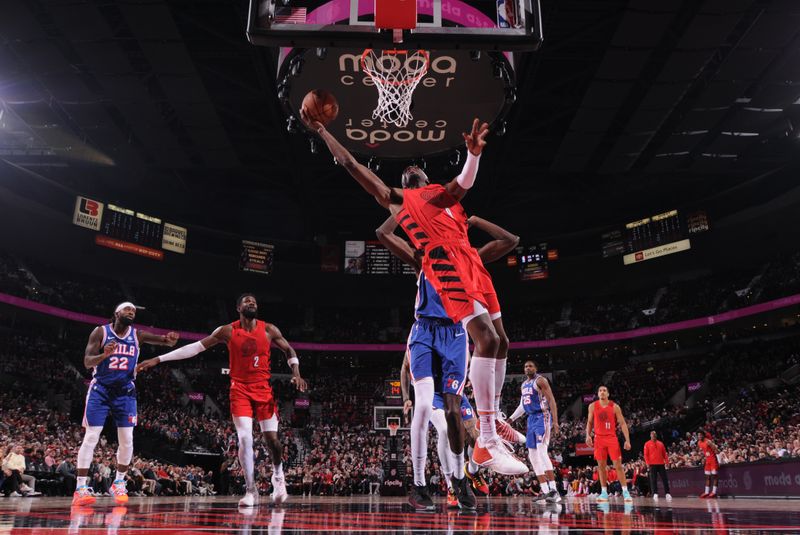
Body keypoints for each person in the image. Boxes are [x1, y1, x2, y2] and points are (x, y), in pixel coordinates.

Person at [305, 108, 525, 476]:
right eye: (406, 174)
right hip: (443, 263)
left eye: (416, 170)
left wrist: (473, 156)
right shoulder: (405, 201)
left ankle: (494, 421)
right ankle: (485, 441)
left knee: (501, 342)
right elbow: (350, 164)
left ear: (426, 177)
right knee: (485, 341)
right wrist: (323, 132)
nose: (411, 170)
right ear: (405, 185)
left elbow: (460, 188)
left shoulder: (443, 199)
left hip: (467, 257)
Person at [383, 212, 521, 510]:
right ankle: (419, 485)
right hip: (424, 330)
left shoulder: (467, 259)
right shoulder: (422, 260)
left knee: (453, 415)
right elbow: (384, 234)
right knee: (422, 408)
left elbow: (510, 241)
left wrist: (475, 220)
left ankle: (460, 478)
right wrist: (404, 209)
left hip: (456, 334)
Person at [137, 293, 306, 507]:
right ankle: (250, 489)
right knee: (245, 438)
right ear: (238, 308)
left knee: (272, 441)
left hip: (263, 390)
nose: (252, 303)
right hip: (240, 389)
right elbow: (195, 348)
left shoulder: (269, 329)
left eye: (254, 301)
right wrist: (158, 358)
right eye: (247, 301)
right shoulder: (227, 330)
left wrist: (296, 372)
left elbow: (289, 349)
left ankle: (278, 476)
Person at [73, 302, 179, 506]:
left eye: (133, 311)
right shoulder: (100, 332)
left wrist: (171, 340)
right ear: (116, 313)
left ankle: (119, 483)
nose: (131, 312)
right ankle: (81, 487)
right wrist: (104, 355)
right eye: (127, 309)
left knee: (127, 439)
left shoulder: (137, 335)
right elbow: (87, 362)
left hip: (125, 392)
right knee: (92, 436)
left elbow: (165, 342)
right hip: (101, 389)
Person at [508, 360, 560, 503]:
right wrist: (510, 420)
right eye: (525, 366)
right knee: (533, 456)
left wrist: (555, 422)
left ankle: (554, 490)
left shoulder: (541, 380)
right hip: (531, 419)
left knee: (542, 451)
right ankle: (545, 491)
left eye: (530, 365)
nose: (527, 368)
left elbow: (551, 400)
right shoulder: (524, 384)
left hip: (542, 416)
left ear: (536, 368)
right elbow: (522, 406)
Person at [585, 386, 633, 502]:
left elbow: (622, 423)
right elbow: (590, 422)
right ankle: (604, 492)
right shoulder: (592, 406)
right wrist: (587, 435)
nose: (602, 392)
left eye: (604, 390)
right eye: (600, 390)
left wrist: (627, 440)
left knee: (618, 465)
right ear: (598, 393)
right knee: (601, 467)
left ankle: (626, 492)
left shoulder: (615, 407)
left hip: (611, 438)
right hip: (598, 439)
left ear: (608, 394)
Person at [643, 431, 671, 500]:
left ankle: (667, 493)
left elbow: (664, 454)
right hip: (652, 465)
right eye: (652, 435)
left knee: (665, 479)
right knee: (653, 480)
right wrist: (647, 463)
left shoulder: (661, 443)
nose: (653, 436)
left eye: (654, 435)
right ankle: (655, 493)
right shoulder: (647, 444)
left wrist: (667, 462)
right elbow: (646, 455)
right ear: (650, 436)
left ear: (656, 436)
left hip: (661, 464)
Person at [697, 431, 719, 498]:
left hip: (713, 460)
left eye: (700, 435)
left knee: (715, 476)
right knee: (707, 477)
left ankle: (714, 492)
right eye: (698, 436)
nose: (699, 437)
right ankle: (706, 492)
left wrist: (719, 461)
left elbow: (716, 450)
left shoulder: (708, 441)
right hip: (707, 461)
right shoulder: (699, 443)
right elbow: (703, 451)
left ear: (704, 435)